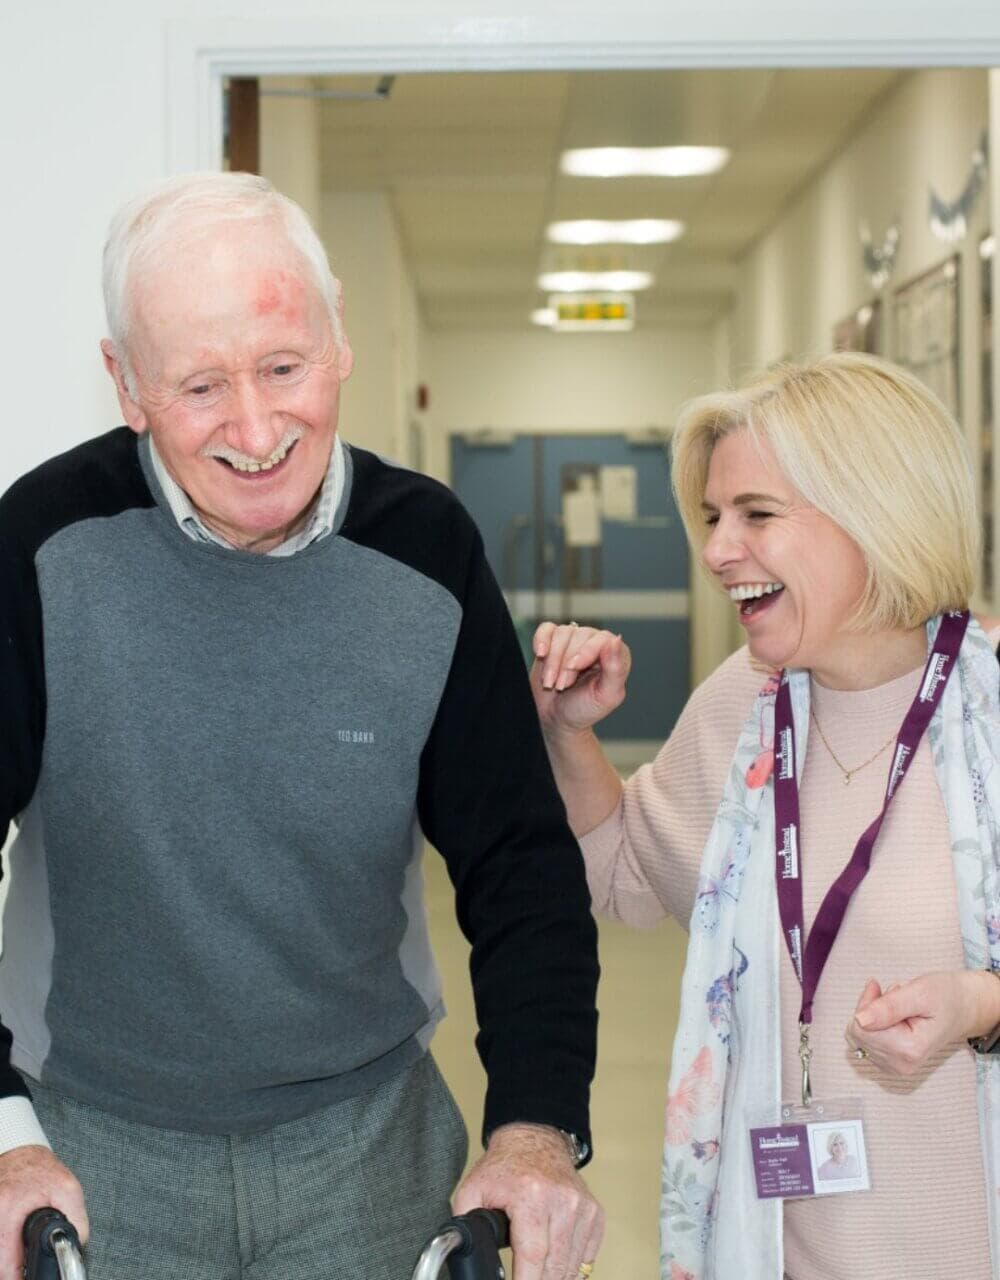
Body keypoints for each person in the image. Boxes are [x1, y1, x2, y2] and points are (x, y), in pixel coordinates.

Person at [0, 172, 604, 1280]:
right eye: (198, 385)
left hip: (368, 1147)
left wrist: (533, 1125)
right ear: (125, 384)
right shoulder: (41, 545)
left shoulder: (426, 551)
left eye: (284, 366)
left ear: (338, 347)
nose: (256, 426)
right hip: (93, 1142)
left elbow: (517, 858)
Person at [530, 352, 1000, 1280]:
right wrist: (571, 734)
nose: (716, 550)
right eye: (713, 518)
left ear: (877, 511)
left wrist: (984, 1005)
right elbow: (624, 875)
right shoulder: (748, 707)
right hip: (782, 1251)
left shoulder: (986, 714)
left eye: (757, 514)